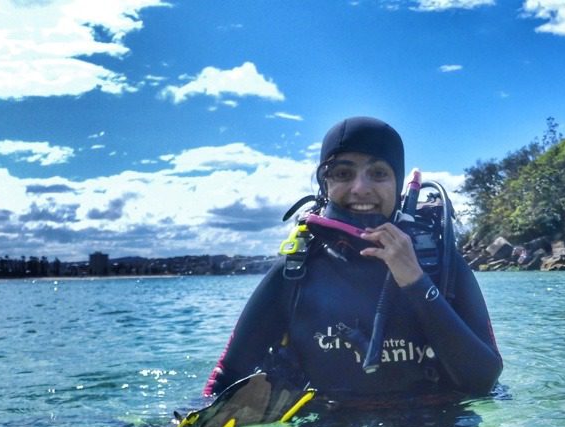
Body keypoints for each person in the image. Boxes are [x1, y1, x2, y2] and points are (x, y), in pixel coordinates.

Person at [203, 116, 502, 405]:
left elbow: (483, 381)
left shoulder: (440, 261)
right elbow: (227, 376)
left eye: (379, 173)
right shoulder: (296, 270)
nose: (360, 188)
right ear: (326, 185)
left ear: (398, 187)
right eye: (343, 174)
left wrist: (415, 281)